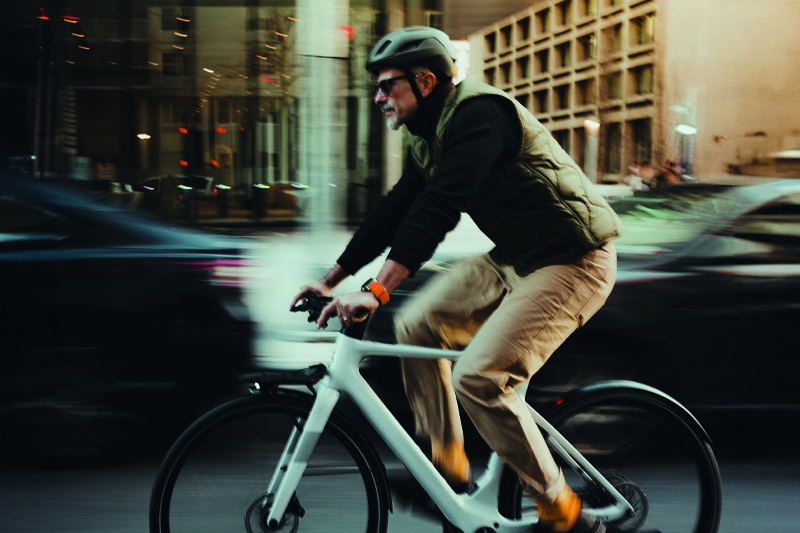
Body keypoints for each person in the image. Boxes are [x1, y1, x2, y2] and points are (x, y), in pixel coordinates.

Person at [290, 26, 621, 533]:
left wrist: (376, 290)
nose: (379, 96)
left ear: (425, 81)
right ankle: (447, 469)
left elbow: (437, 210)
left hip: (573, 260)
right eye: (376, 87)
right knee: (417, 324)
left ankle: (563, 511)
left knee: (479, 378)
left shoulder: (479, 115)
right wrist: (332, 280)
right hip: (515, 257)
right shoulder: (426, 140)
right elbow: (395, 212)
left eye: (388, 85)